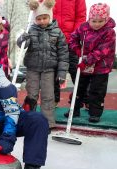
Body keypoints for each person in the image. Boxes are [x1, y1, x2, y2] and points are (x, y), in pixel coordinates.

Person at [17, 0, 69, 131]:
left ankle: (48, 122)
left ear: (50, 16)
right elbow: (21, 44)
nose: (42, 21)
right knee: (31, 94)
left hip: (49, 70)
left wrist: (62, 73)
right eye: (38, 18)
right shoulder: (31, 30)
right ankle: (29, 119)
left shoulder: (57, 32)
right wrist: (23, 38)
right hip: (32, 69)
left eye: (44, 18)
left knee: (48, 95)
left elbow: (63, 53)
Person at [65, 3, 116, 123]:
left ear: (106, 19)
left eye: (100, 21)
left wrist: (86, 61)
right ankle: (74, 109)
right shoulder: (84, 27)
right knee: (79, 87)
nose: (97, 24)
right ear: (89, 18)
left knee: (96, 90)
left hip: (101, 66)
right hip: (85, 64)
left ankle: (95, 113)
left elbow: (102, 51)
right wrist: (77, 49)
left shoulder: (109, 32)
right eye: (94, 21)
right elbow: (73, 38)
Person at [52, 0, 87, 107]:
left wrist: (75, 35)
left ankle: (84, 98)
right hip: (53, 38)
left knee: (75, 69)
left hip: (71, 39)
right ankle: (54, 98)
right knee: (53, 69)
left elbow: (81, 16)